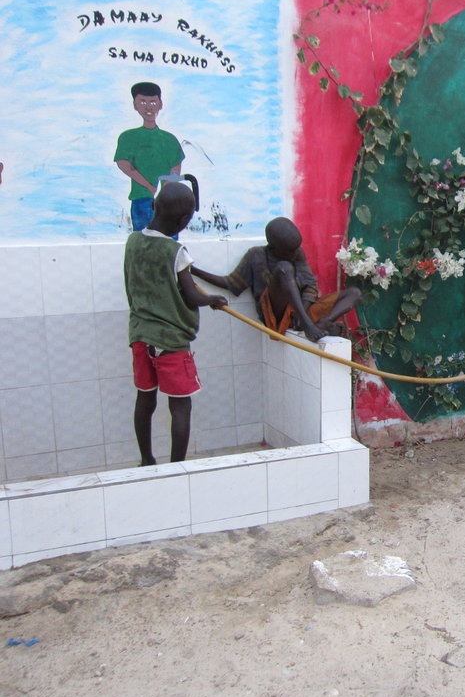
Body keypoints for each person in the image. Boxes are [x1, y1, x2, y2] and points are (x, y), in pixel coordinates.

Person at [124, 181, 227, 466]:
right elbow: (193, 296)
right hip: (171, 341)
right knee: (180, 405)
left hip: (141, 336)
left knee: (145, 400)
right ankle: (177, 467)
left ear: (155, 206)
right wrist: (214, 299)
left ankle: (147, 460)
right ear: (183, 220)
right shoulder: (176, 251)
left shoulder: (133, 242)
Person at [191, 217, 361, 342]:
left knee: (354, 293)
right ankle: (308, 324)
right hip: (274, 315)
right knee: (284, 268)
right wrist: (192, 270)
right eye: (290, 250)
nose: (295, 254)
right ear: (272, 247)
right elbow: (229, 283)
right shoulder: (256, 255)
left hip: (300, 312)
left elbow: (310, 285)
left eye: (296, 249)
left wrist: (303, 311)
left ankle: (323, 322)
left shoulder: (298, 253)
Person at [114, 82, 185, 232]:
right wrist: (148, 186)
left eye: (153, 102)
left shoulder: (169, 139)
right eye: (143, 102)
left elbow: (175, 168)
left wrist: (164, 191)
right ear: (135, 105)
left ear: (160, 104)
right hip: (141, 198)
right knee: (144, 242)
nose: (148, 107)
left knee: (167, 242)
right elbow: (123, 163)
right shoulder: (128, 137)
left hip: (167, 202)